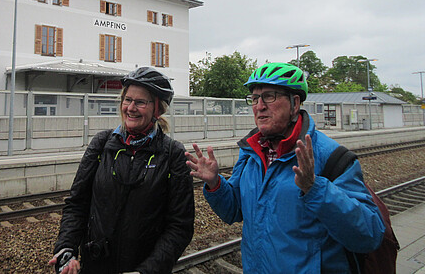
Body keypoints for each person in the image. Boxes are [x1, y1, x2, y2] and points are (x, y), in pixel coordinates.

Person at [185, 62, 385, 273]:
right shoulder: (251, 153)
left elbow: (369, 235)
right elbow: (233, 211)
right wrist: (215, 184)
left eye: (269, 96)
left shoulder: (332, 158)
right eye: (254, 98)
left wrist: (315, 189)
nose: (259, 106)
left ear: (295, 103)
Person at [50, 67, 194, 274]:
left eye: (140, 102)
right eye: (127, 100)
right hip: (95, 266)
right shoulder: (102, 144)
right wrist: (66, 248)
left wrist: (147, 271)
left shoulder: (173, 154)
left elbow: (180, 226)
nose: (131, 108)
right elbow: (77, 204)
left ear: (158, 110)